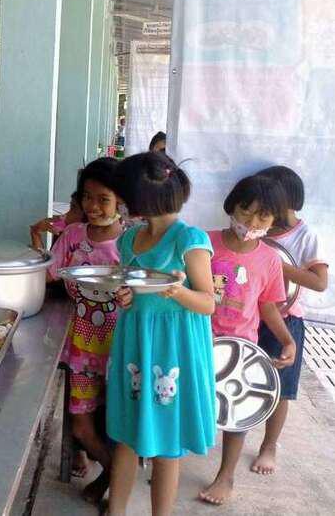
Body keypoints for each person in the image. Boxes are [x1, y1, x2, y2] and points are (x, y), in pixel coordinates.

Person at [105, 152, 217, 516]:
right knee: (127, 435)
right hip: (136, 344)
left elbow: (208, 302)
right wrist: (125, 296)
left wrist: (177, 292)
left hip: (173, 349)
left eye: (123, 196)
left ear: (139, 199)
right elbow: (132, 289)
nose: (121, 203)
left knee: (167, 444)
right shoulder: (129, 239)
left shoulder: (189, 239)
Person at [200, 174, 296, 506]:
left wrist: (288, 341)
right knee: (188, 403)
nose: (251, 222)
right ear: (232, 206)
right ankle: (170, 462)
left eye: (262, 216)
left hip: (241, 347)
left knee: (236, 413)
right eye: (246, 211)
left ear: (274, 220)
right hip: (199, 340)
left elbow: (268, 306)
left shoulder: (269, 259)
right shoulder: (204, 243)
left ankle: (225, 476)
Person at [46, 158, 124, 503]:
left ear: (121, 201)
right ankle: (114, 473)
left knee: (119, 425)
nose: (92, 206)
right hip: (81, 349)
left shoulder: (132, 243)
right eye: (87, 197)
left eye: (103, 199)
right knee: (81, 425)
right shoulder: (73, 236)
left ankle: (113, 482)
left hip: (122, 351)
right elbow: (49, 273)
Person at [251, 165, 329, 476]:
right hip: (250, 315)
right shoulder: (259, 228)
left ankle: (269, 445)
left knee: (281, 388)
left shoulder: (305, 235)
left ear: (289, 200)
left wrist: (275, 265)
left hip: (286, 319)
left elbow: (320, 282)